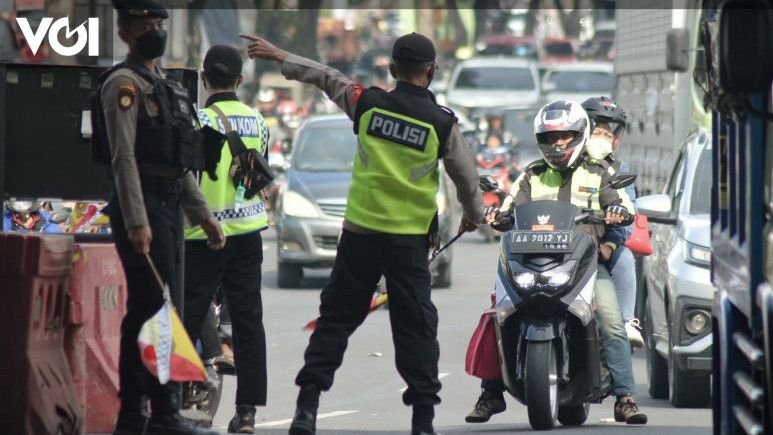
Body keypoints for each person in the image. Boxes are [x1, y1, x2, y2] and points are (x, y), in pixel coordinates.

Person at [242, 31, 484, 435]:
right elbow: (467, 180)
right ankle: (422, 421)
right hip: (407, 245)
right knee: (415, 329)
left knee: (335, 321)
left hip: (359, 236)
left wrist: (281, 54)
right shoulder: (442, 123)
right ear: (432, 71)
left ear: (391, 69)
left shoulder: (367, 103)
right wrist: (473, 216)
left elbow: (327, 77)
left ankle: (307, 407)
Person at [465, 100, 647, 426]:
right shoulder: (531, 175)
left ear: (579, 135)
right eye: (551, 138)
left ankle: (625, 397)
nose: (558, 144)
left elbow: (621, 204)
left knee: (611, 321)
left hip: (585, 267)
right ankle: (490, 393)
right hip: (530, 265)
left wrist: (619, 212)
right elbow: (509, 208)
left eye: (565, 136)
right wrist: (496, 216)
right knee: (497, 315)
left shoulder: (600, 172)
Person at [95, 2, 225, 434]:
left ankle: (147, 415)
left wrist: (204, 217)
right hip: (143, 205)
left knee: (151, 309)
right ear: (124, 31)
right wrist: (135, 220)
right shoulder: (124, 84)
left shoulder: (164, 85)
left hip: (167, 204)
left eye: (157, 24)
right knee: (149, 310)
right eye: (143, 25)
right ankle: (147, 415)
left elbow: (178, 163)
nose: (153, 31)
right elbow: (123, 158)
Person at [182, 44, 271, 434]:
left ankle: (172, 402)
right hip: (248, 233)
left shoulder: (197, 121)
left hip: (203, 236)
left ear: (203, 78)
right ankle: (247, 412)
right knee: (249, 323)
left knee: (183, 320)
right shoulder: (258, 121)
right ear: (240, 79)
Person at [581, 96, 643, 348]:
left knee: (625, 258)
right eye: (596, 131)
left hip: (602, 247)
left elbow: (628, 214)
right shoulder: (564, 162)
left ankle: (627, 321)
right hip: (563, 244)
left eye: (608, 134)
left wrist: (610, 245)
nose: (602, 138)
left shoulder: (619, 168)